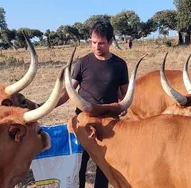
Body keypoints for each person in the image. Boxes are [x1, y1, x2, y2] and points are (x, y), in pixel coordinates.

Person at [56, 21, 129, 188]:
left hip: (109, 122)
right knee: (80, 161)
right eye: (93, 42)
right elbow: (69, 91)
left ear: (110, 42)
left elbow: (123, 93)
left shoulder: (119, 65)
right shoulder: (83, 63)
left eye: (101, 43)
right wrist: (51, 105)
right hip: (84, 121)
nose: (97, 47)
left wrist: (123, 105)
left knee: (105, 164)